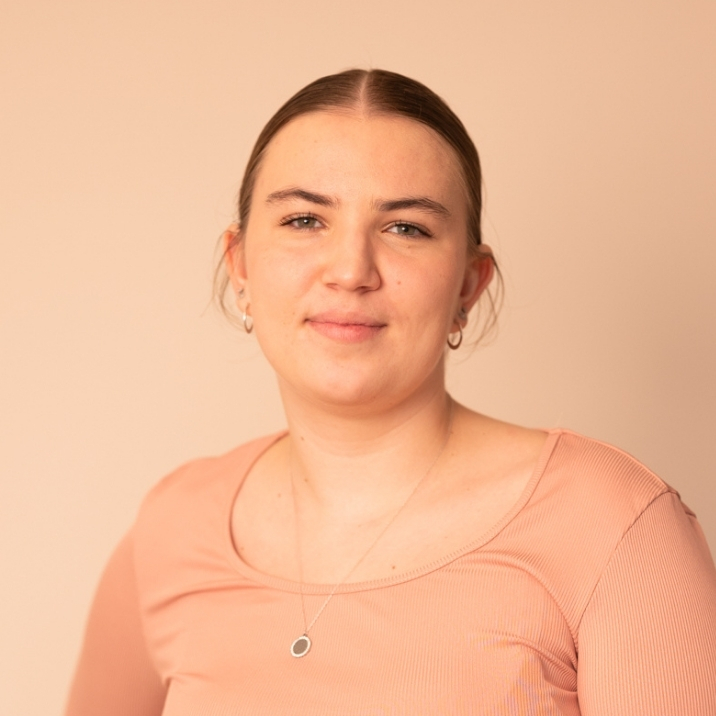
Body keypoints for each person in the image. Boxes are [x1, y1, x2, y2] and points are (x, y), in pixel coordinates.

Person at [64, 69, 716, 716]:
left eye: (405, 228)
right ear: (240, 265)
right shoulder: (172, 527)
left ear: (469, 284)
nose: (351, 270)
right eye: (304, 219)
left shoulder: (611, 524)